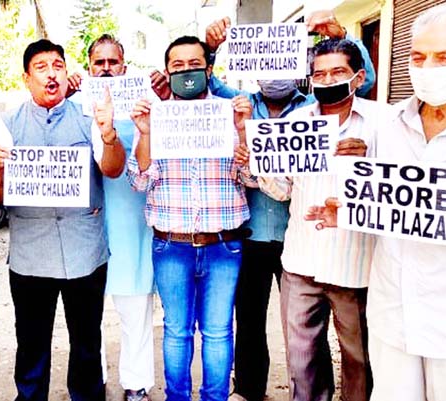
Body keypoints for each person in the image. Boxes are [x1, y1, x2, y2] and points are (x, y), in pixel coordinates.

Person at [202, 11, 376, 401]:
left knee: (352, 350)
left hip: (331, 250)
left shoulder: (338, 112)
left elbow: (363, 75)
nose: (328, 81)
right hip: (264, 237)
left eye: (336, 74)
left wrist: (340, 34)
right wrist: (213, 46)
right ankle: (248, 388)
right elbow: (205, 85)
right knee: (276, 334)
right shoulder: (242, 103)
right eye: (323, 74)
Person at [306, 3, 446, 400]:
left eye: (445, 58)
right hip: (392, 310)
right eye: (417, 56)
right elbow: (380, 200)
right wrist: (346, 209)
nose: (428, 68)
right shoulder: (389, 124)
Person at [0, 39, 126, 401]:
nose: (52, 74)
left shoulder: (88, 118)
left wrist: (109, 135)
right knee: (31, 343)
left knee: (86, 341)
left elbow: (112, 169)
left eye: (58, 66)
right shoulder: (6, 126)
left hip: (85, 254)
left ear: (67, 72)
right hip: (31, 258)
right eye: (42, 67)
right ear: (26, 78)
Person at [127, 35, 254, 401]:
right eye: (177, 66)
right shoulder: (155, 117)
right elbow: (138, 179)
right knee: (177, 331)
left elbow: (252, 180)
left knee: (217, 331)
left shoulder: (231, 113)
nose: (187, 72)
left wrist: (244, 129)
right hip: (172, 244)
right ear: (167, 73)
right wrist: (146, 133)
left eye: (194, 65)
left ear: (208, 69)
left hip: (223, 244)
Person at [64, 34, 156, 401]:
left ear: (124, 67)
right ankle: (94, 379)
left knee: (135, 312)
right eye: (98, 63)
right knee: (87, 318)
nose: (105, 69)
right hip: (84, 229)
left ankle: (137, 384)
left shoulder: (141, 110)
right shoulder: (72, 109)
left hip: (130, 224)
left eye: (112, 62)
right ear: (88, 69)